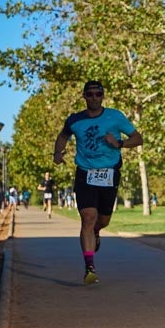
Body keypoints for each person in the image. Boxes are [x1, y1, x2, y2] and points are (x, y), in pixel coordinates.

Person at [53, 80, 143, 285]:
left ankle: (96, 232)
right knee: (88, 216)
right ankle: (89, 267)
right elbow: (63, 136)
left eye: (98, 94)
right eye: (90, 94)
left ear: (103, 96)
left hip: (109, 173)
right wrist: (58, 152)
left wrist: (119, 143)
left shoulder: (115, 117)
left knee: (103, 221)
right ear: (84, 96)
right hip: (85, 173)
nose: (94, 98)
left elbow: (138, 138)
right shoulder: (75, 120)